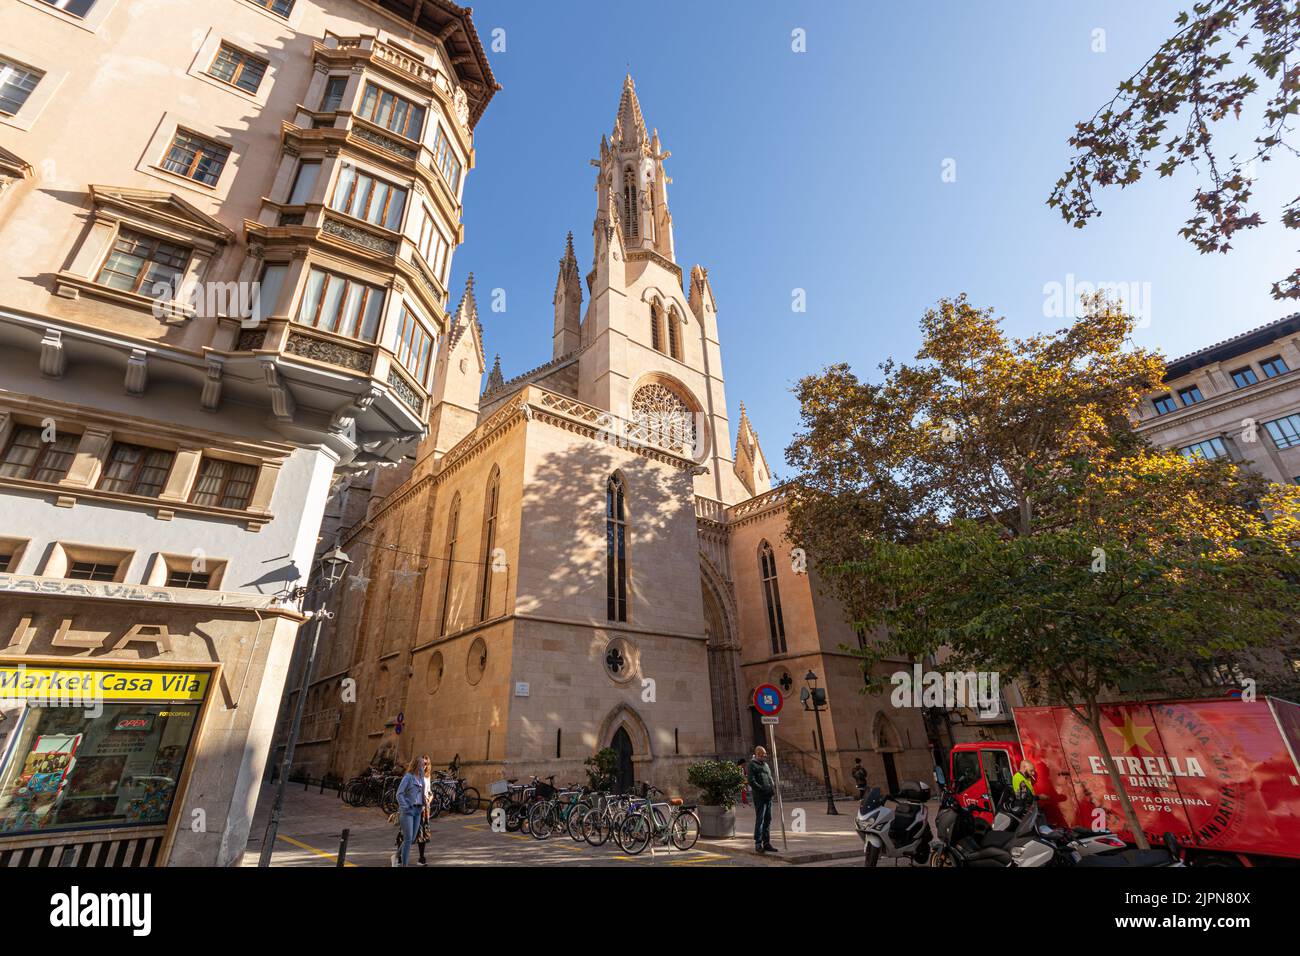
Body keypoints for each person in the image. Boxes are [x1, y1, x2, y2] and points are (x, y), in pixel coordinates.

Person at [394, 755, 428, 867]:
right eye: (423, 764)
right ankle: (404, 865)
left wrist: (425, 802)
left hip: (418, 810)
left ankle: (396, 856)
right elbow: (399, 794)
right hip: (408, 810)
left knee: (412, 839)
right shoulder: (408, 777)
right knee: (408, 839)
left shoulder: (422, 777)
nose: (425, 766)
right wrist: (406, 807)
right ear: (416, 764)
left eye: (425, 764)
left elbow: (422, 793)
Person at [746, 745, 777, 854]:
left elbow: (770, 778)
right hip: (759, 797)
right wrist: (762, 789)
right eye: (763, 755)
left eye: (765, 755)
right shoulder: (752, 765)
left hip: (768, 796)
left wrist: (772, 787)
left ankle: (767, 842)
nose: (765, 757)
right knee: (761, 819)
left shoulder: (766, 765)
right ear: (758, 754)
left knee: (768, 819)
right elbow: (751, 781)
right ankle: (758, 843)